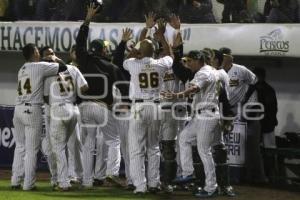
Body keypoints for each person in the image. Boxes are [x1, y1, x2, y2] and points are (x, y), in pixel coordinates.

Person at [75, 3, 128, 188]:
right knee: (113, 140)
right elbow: (124, 87)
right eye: (105, 48)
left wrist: (87, 20)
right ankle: (112, 173)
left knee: (88, 144)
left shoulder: (85, 60)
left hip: (84, 108)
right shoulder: (111, 67)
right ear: (102, 50)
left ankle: (87, 181)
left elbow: (80, 42)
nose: (107, 50)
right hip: (102, 108)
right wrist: (127, 103)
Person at [123, 18, 174, 194]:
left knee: (136, 148)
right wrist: (162, 38)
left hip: (139, 108)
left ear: (139, 51)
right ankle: (153, 183)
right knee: (153, 147)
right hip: (156, 107)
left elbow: (128, 57)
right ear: (154, 52)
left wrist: (143, 36)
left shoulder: (133, 64)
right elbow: (170, 56)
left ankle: (140, 186)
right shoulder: (160, 64)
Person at [161, 50, 221, 198]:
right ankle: (188, 173)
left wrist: (177, 95)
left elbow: (194, 88)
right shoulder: (212, 71)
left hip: (207, 115)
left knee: (204, 151)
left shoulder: (204, 72)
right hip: (202, 114)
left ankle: (211, 187)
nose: (187, 64)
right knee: (184, 138)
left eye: (189, 61)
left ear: (198, 60)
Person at [11, 43, 67, 190]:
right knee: (31, 150)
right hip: (32, 109)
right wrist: (53, 58)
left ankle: (15, 181)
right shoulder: (39, 66)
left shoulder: (21, 69)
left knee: (20, 147)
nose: (38, 52)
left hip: (17, 109)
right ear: (35, 53)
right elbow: (63, 67)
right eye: (37, 50)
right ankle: (28, 184)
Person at [43, 47, 88, 191]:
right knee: (68, 145)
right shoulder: (72, 68)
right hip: (73, 109)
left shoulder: (47, 73)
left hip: (58, 109)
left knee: (59, 148)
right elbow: (85, 87)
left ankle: (63, 182)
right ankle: (73, 177)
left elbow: (44, 96)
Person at [220, 47, 266, 184]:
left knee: (251, 147)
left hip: (247, 109)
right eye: (222, 56)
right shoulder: (219, 72)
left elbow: (256, 81)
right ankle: (236, 175)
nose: (224, 58)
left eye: (226, 55)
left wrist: (246, 95)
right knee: (233, 145)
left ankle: (259, 178)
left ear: (230, 57)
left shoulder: (240, 69)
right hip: (231, 110)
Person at [253, 66, 278, 183]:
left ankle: (270, 175)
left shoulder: (266, 90)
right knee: (261, 151)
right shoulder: (255, 89)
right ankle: (264, 175)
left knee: (269, 151)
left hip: (266, 125)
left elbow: (271, 109)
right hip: (260, 124)